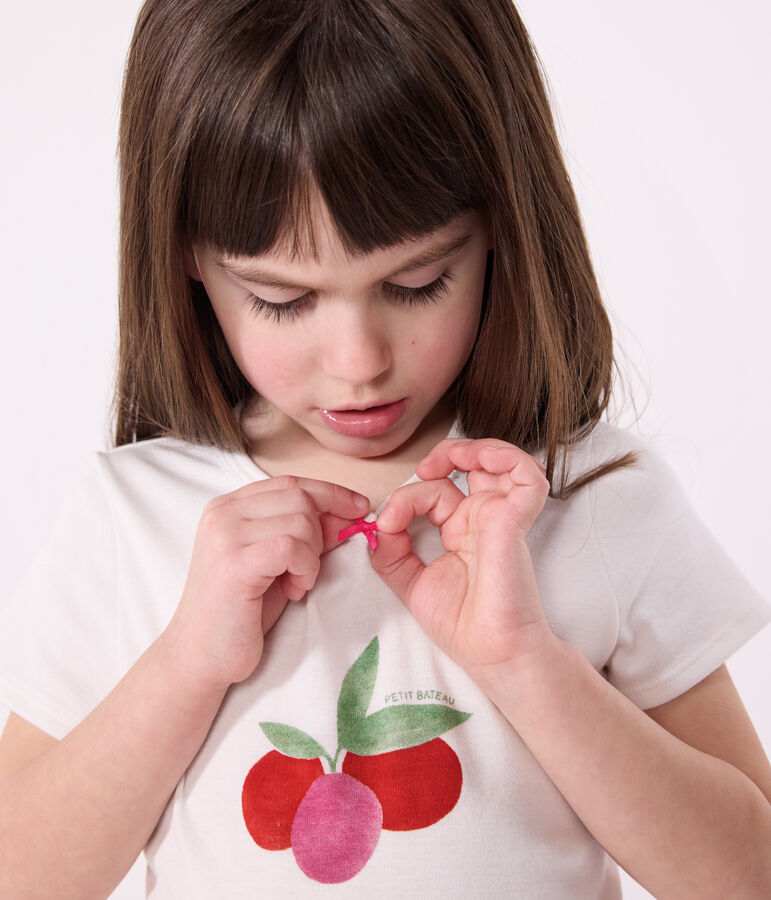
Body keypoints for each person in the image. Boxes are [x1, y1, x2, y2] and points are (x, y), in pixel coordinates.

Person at [0, 0, 769, 896]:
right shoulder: (135, 517)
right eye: (283, 301)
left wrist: (526, 664)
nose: (358, 364)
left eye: (417, 282)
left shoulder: (586, 497)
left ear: (500, 230)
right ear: (187, 258)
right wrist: (186, 663)